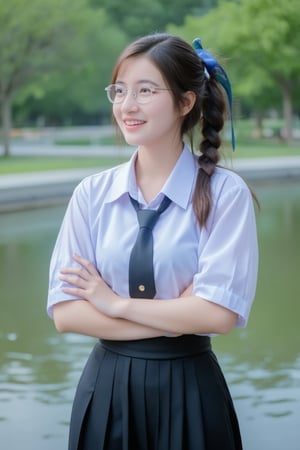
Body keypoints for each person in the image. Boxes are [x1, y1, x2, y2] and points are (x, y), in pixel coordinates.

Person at [47, 33, 258, 450]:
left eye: (146, 90)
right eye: (120, 90)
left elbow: (217, 318)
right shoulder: (92, 194)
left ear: (185, 102)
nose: (127, 105)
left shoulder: (225, 194)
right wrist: (179, 312)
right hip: (107, 390)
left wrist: (115, 303)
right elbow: (68, 314)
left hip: (190, 389)